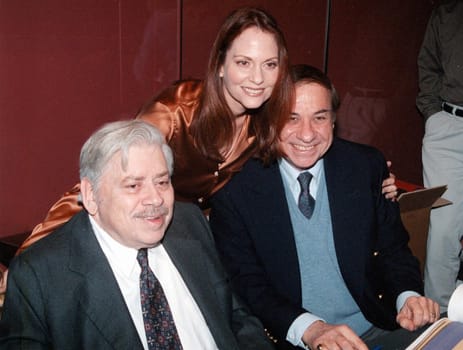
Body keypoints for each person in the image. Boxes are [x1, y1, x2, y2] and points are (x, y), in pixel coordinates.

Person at [0, 7, 396, 295]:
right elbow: (105, 181)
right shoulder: (175, 112)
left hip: (201, 237)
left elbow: (314, 137)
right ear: (220, 65)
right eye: (244, 62)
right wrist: (25, 263)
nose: (257, 79)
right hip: (145, 219)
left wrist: (377, 178)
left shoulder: (268, 122)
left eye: (270, 64)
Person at [209, 64, 439, 350]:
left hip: (377, 325)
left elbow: (393, 248)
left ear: (333, 121)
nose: (307, 134)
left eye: (319, 117)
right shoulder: (235, 188)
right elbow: (247, 284)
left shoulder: (364, 166)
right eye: (291, 118)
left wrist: (408, 297)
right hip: (295, 337)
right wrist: (311, 329)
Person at [0, 120, 274, 350]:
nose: (156, 199)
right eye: (133, 185)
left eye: (162, 181)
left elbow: (236, 318)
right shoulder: (41, 276)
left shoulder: (190, 223)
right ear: (91, 196)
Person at [416, 0, 463, 311]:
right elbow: (428, 65)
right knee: (443, 230)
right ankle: (440, 323)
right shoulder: (447, 12)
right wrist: (434, 115)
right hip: (450, 125)